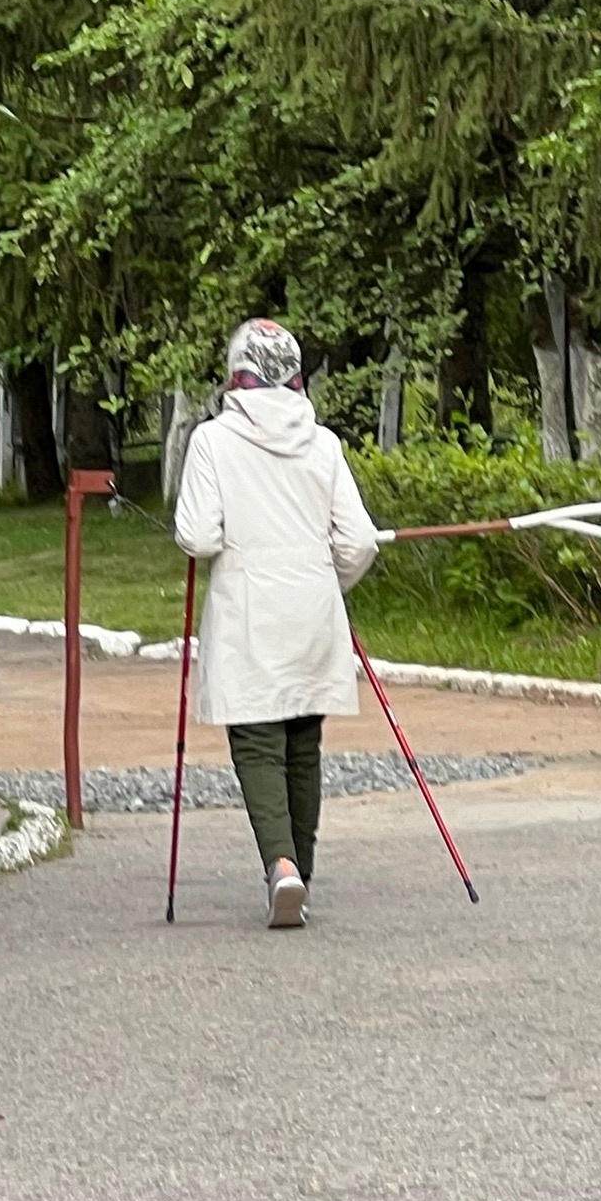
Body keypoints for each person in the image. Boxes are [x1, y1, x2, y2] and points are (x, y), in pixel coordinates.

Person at [172, 319, 380, 928]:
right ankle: (301, 876)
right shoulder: (324, 443)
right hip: (313, 606)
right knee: (302, 739)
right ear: (295, 374)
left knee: (258, 743)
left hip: (247, 608)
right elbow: (360, 541)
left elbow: (196, 534)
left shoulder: (212, 441)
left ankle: (282, 867)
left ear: (236, 372)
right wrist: (323, 582)